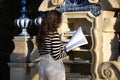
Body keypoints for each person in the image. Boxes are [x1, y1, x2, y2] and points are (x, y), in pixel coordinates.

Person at [36, 10, 72, 80]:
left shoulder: (43, 34)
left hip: (43, 66)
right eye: (60, 20)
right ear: (56, 22)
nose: (61, 22)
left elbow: (47, 50)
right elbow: (57, 56)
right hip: (53, 67)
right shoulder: (54, 35)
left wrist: (62, 48)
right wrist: (70, 51)